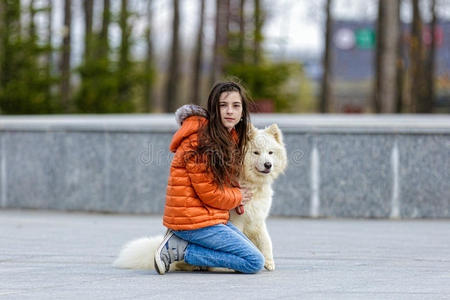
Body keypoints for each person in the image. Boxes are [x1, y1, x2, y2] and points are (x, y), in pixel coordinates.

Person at [154, 81, 264, 275]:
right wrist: (238, 196)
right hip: (192, 221)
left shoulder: (226, 137)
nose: (230, 111)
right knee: (253, 261)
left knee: (251, 252)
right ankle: (179, 250)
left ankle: (182, 245)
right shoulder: (200, 141)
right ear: (214, 109)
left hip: (207, 218)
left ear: (242, 111)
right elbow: (209, 193)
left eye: (235, 106)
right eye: (223, 105)